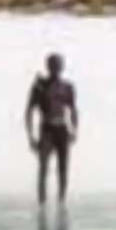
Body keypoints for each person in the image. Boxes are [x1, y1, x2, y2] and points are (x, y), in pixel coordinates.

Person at [25, 53, 79, 205]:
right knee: (43, 169)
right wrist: (31, 136)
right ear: (48, 67)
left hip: (62, 129)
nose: (55, 68)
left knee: (63, 169)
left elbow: (73, 109)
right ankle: (42, 203)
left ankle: (61, 201)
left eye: (58, 65)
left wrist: (74, 129)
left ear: (62, 67)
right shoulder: (40, 86)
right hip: (47, 129)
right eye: (53, 65)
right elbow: (29, 111)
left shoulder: (67, 87)